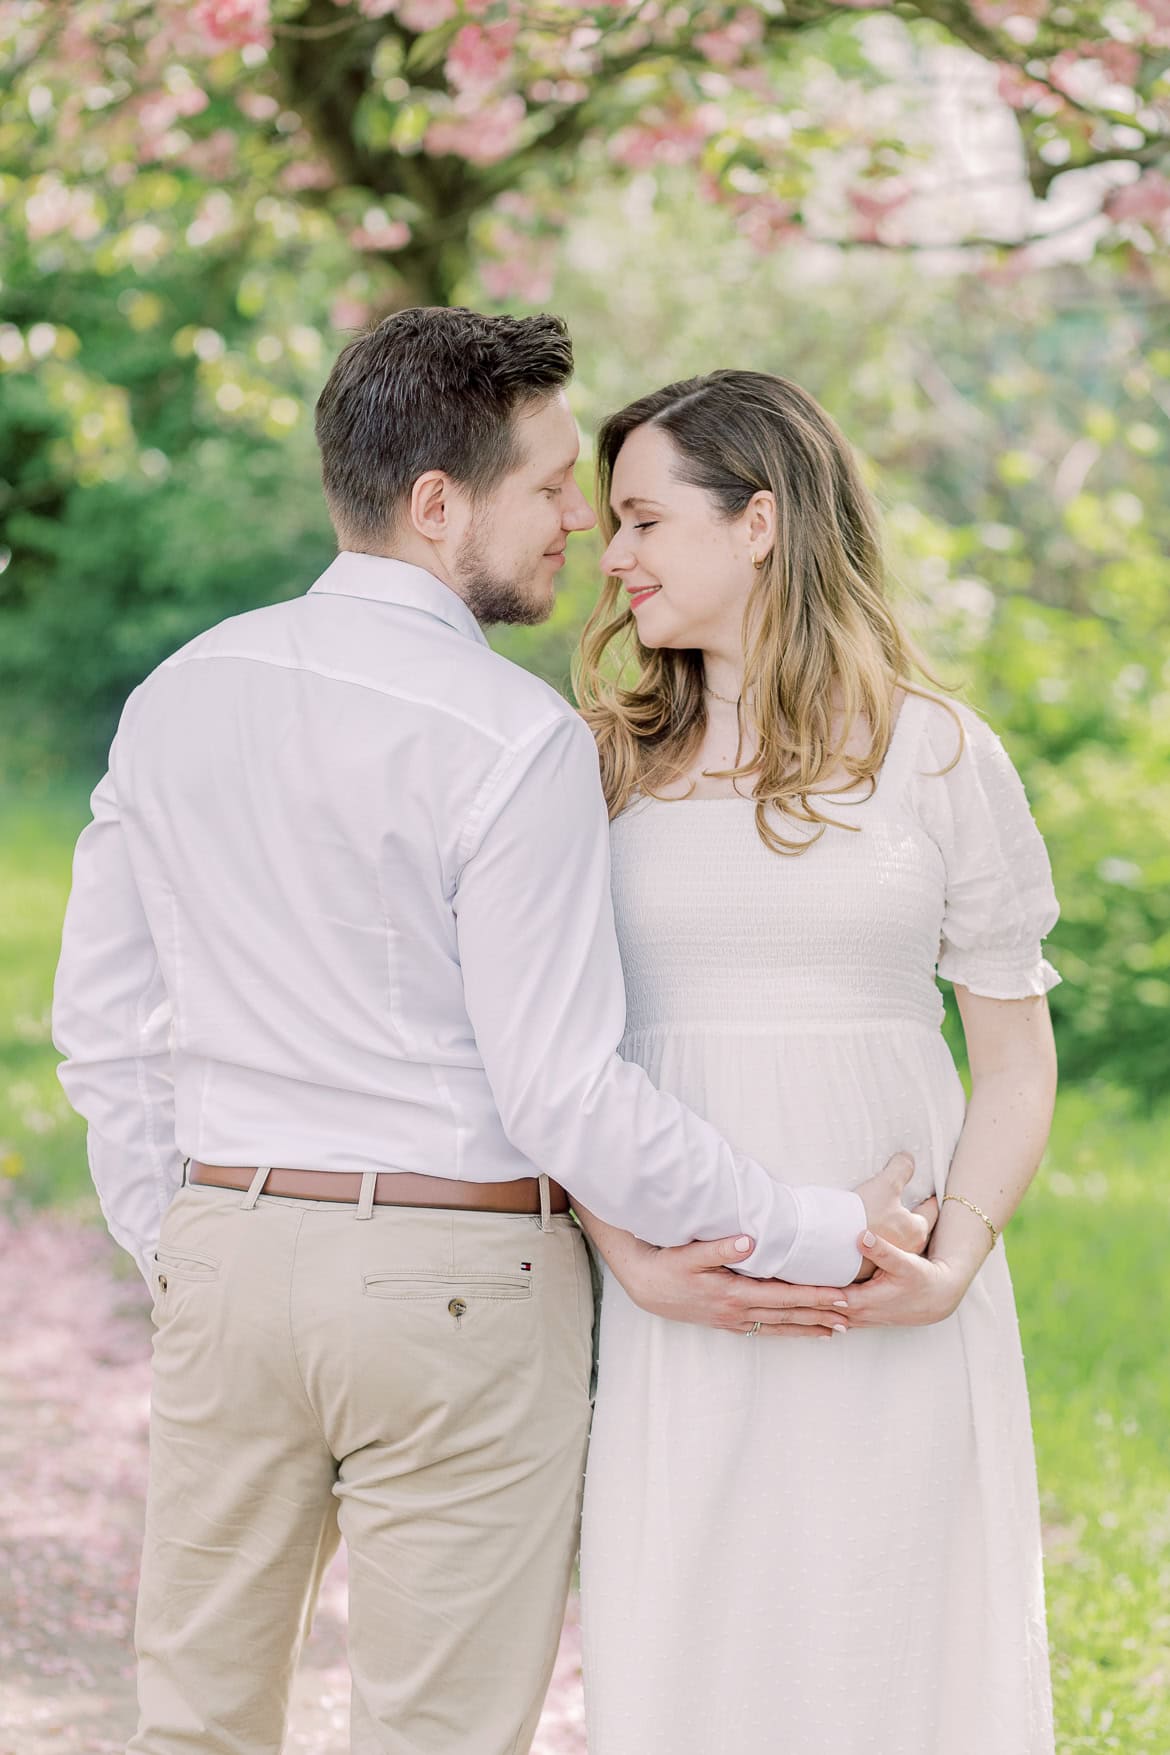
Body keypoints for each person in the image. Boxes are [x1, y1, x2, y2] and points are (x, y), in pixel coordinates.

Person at [51, 310, 924, 1755]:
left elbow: (106, 1027)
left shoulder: (176, 698)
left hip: (226, 1254)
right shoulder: (509, 741)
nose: (575, 521)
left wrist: (180, 1236)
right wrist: (807, 1225)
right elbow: (561, 1089)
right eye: (547, 485)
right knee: (436, 1735)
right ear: (436, 503)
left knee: (193, 1722)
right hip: (453, 1280)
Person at [574, 369, 1060, 1755]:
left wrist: (952, 1260)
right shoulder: (600, 764)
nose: (610, 558)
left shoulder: (939, 754)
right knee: (689, 1642)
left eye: (642, 519)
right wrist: (631, 1256)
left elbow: (1014, 1057)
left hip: (896, 1297)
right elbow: (549, 1055)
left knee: (898, 1641)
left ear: (760, 522)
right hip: (678, 1295)